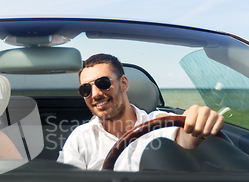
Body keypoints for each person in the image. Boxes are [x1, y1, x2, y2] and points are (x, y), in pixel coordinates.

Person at [58, 53, 225, 171]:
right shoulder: (80, 137)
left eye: (103, 83)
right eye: (86, 89)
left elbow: (186, 137)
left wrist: (198, 120)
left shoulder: (162, 122)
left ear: (124, 84)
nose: (95, 94)